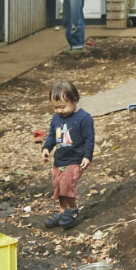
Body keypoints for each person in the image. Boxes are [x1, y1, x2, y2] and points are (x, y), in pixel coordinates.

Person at [41, 80, 93, 229]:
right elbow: (52, 135)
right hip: (60, 159)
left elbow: (90, 138)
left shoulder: (84, 118)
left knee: (66, 185)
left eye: (62, 106)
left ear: (75, 100)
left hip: (75, 159)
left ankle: (72, 210)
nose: (59, 110)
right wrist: (46, 148)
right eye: (55, 107)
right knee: (58, 186)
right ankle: (63, 211)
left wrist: (87, 156)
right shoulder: (56, 118)